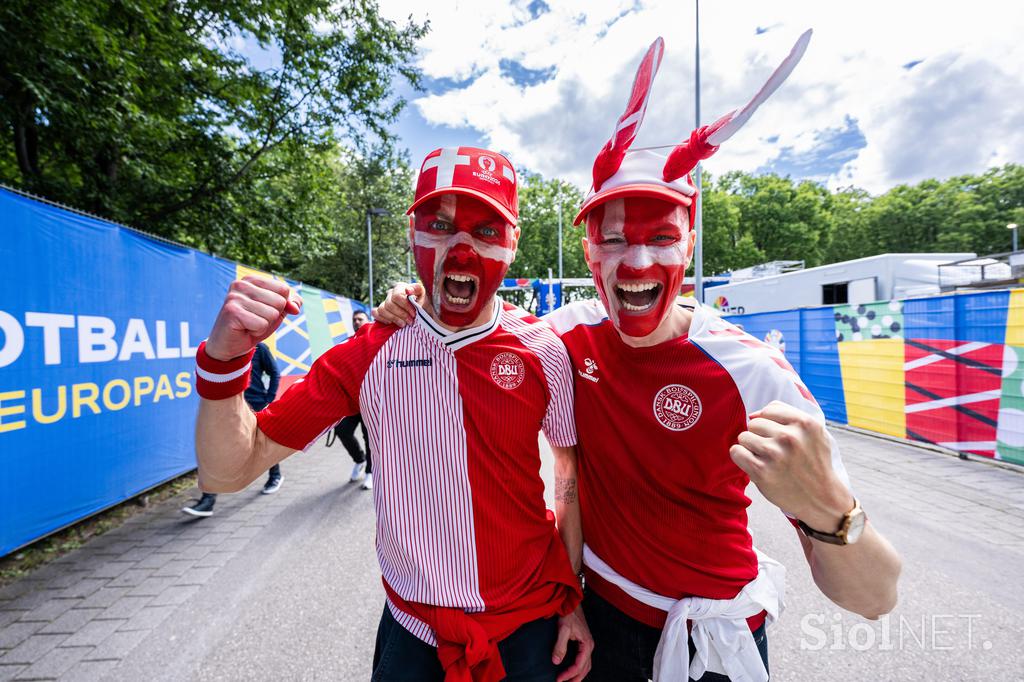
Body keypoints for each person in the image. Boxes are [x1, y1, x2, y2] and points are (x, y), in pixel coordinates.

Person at [373, 34, 901, 682]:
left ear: (691, 240)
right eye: (614, 237)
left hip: (714, 641)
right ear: (589, 250)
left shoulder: (751, 372)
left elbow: (877, 598)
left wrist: (830, 513)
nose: (637, 262)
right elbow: (480, 327)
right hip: (601, 623)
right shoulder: (563, 337)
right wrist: (411, 301)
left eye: (660, 237)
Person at [192, 146, 593, 681]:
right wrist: (224, 361)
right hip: (415, 631)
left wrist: (573, 598)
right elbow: (228, 470)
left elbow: (567, 476)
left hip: (531, 623)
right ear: (412, 234)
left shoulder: (542, 349)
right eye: (439, 224)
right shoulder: (371, 350)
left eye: (486, 230)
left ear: (514, 244)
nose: (462, 249)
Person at [183, 341, 282, 517]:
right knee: (218, 449)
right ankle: (208, 500)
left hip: (256, 404)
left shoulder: (260, 348)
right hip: (230, 407)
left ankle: (275, 476)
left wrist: (269, 398)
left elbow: (274, 373)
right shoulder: (224, 348)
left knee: (262, 443)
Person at [338, 310, 374, 489]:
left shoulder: (378, 341)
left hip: (371, 402)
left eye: (360, 319)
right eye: (354, 320)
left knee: (370, 439)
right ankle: (359, 460)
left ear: (369, 321)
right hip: (351, 403)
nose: (357, 322)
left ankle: (370, 472)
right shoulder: (346, 343)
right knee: (342, 431)